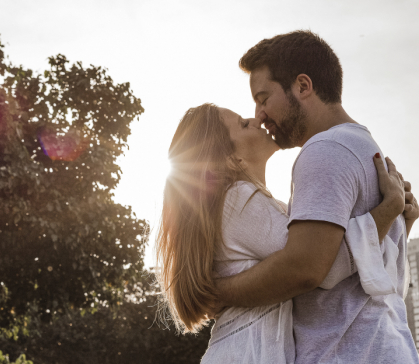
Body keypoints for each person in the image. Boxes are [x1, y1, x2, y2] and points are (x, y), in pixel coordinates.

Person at [211, 30, 419, 363]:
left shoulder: (323, 151)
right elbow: (382, 274)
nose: (259, 114)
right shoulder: (366, 150)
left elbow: (305, 268)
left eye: (264, 98)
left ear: (303, 86)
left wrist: (217, 292)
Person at [155, 103, 412, 363]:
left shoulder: (259, 207)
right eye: (244, 124)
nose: (256, 119)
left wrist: (400, 223)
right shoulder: (237, 199)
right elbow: (317, 267)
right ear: (231, 159)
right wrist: (386, 213)